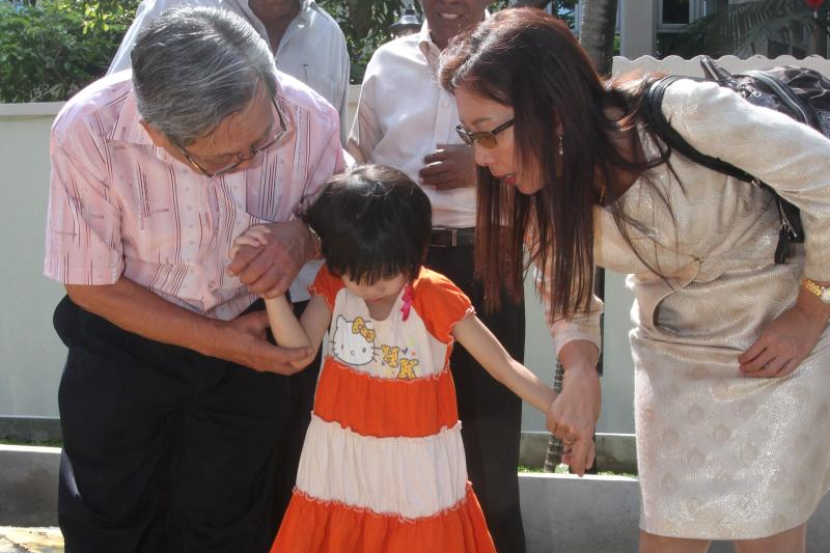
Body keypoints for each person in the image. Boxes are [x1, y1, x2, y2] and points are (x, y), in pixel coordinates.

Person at [438, 7, 830, 553]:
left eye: (487, 134)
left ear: (551, 110)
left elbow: (823, 178)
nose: (479, 158)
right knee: (665, 535)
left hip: (778, 341)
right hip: (672, 356)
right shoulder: (538, 191)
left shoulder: (684, 113)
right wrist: (580, 368)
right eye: (470, 136)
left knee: (769, 534)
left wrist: (811, 311)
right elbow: (568, 293)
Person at [44, 7, 343, 552]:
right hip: (126, 337)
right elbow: (89, 284)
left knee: (232, 521)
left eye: (262, 140)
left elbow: (342, 218)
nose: (249, 160)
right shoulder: (90, 128)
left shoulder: (309, 116)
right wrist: (218, 341)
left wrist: (302, 235)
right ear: (157, 134)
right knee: (110, 518)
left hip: (251, 337)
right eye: (225, 157)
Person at [230, 164, 556, 553]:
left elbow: (503, 367)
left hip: (415, 472)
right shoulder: (334, 286)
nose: (369, 288)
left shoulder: (434, 295)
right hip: (344, 466)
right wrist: (271, 292)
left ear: (414, 253)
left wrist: (561, 411)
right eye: (355, 275)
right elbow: (297, 353)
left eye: (383, 276)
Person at [347, 2, 532, 551]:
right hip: (399, 268)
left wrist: (482, 167)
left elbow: (555, 156)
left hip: (488, 260)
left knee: (490, 432)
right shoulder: (388, 61)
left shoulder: (518, 58)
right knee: (396, 424)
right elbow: (357, 157)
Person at [108, 0, 351, 144]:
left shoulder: (328, 35)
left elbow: (331, 147)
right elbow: (114, 111)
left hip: (288, 215)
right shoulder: (174, 5)